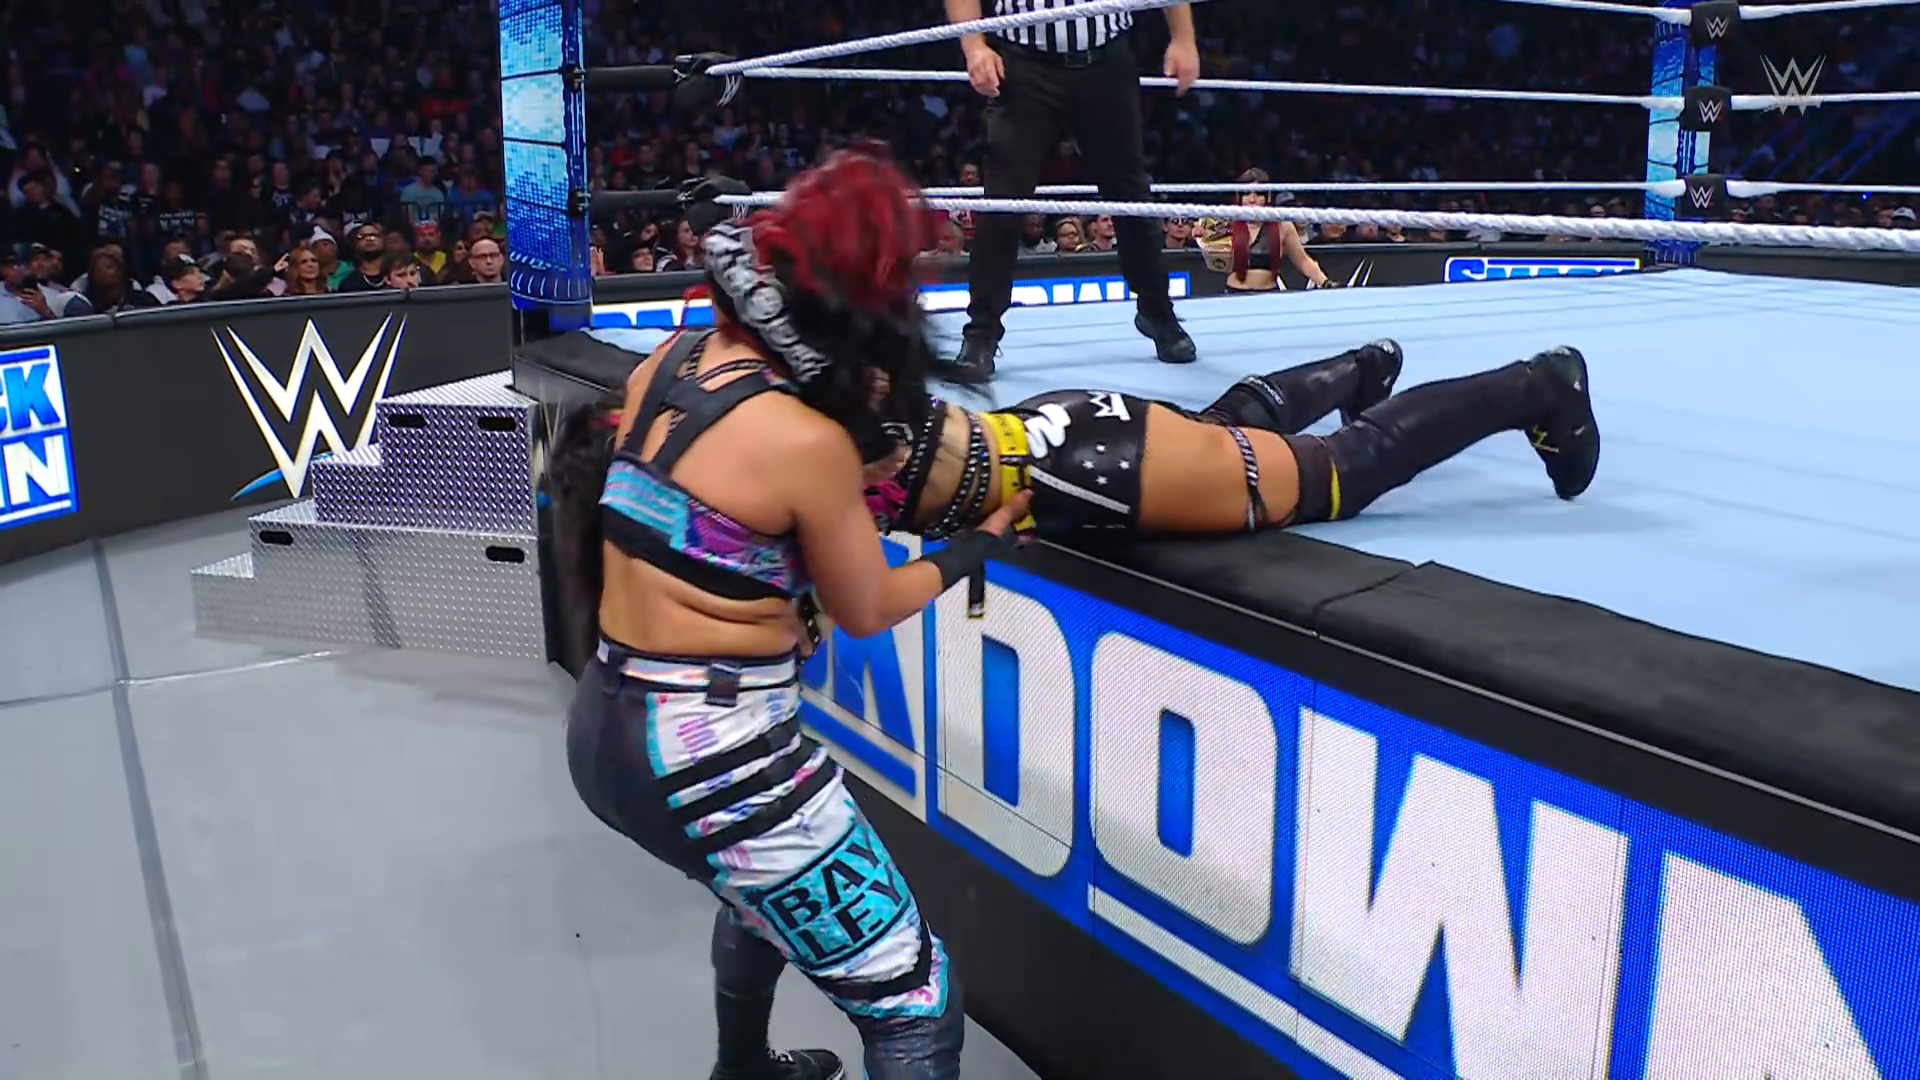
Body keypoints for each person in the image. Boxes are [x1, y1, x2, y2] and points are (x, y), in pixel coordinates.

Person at [545, 147, 1016, 1080]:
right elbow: (866, 607)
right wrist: (978, 548)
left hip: (605, 721)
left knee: (759, 895)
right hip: (713, 756)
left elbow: (724, 518)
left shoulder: (669, 361)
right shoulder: (804, 442)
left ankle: (745, 1073)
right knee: (914, 1002)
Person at [862, 340, 1600, 541]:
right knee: (1214, 433)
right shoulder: (818, 367)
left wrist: (973, 552)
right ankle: (1358, 370)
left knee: (1335, 473)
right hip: (1041, 431)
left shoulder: (806, 445)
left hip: (1070, 473)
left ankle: (1538, 386)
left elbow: (866, 606)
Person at [945, 0, 1203, 378]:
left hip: (1106, 62)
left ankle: (1157, 311)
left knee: (1131, 193)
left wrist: (1183, 39)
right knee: (1003, 200)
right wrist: (974, 47)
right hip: (1024, 65)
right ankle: (981, 333)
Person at [1198, 169, 1333, 292]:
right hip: (1234, 294)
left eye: (1258, 194)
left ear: (1267, 197)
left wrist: (1325, 282)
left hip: (1268, 295)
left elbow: (1303, 261)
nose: (1252, 199)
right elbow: (1206, 244)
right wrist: (1199, 234)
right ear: (1240, 197)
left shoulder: (1282, 226)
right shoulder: (1226, 223)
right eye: (1246, 193)